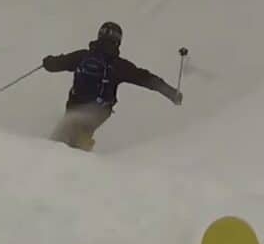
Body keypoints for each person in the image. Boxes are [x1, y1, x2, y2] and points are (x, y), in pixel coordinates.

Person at [42, 21, 182, 151]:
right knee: (80, 135)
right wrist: (171, 93)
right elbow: (146, 79)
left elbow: (55, 64)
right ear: (118, 42)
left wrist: (48, 61)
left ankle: (65, 154)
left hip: (74, 106)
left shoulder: (82, 56)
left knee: (63, 135)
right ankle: (82, 156)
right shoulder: (119, 66)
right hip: (99, 111)